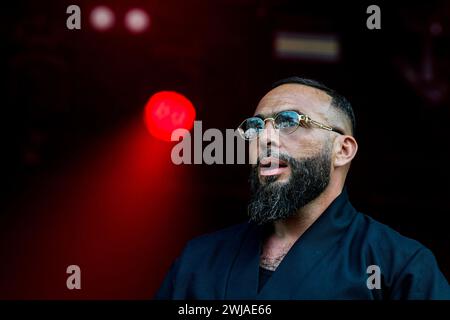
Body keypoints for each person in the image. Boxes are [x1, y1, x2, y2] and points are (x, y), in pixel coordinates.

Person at [155, 76, 450, 299]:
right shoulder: (199, 259)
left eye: (288, 121)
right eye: (255, 126)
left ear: (343, 150)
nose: (265, 138)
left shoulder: (399, 265)